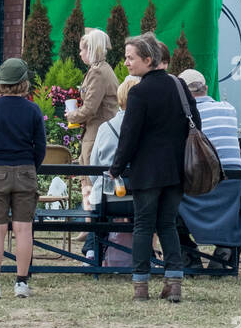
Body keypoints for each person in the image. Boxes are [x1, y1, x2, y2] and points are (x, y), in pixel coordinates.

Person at [109, 33, 202, 303]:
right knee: (168, 225)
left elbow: (129, 136)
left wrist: (116, 168)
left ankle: (140, 286)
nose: (126, 62)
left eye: (130, 58)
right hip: (176, 168)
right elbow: (195, 123)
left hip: (147, 171)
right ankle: (174, 283)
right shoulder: (179, 86)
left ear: (148, 60)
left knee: (143, 226)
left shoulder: (138, 93)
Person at [0, 58, 47, 300]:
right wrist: (30, 168)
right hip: (26, 169)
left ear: (1, 83)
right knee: (24, 229)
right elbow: (41, 148)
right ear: (24, 82)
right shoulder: (33, 110)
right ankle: (21, 284)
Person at [179, 68, 241, 263]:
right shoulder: (228, 109)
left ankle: (188, 254)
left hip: (196, 200)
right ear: (206, 88)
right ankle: (226, 252)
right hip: (230, 200)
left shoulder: (183, 116)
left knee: (164, 207)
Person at [82, 74, 141, 262]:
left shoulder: (106, 128)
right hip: (142, 200)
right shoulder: (150, 128)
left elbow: (94, 166)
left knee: (99, 204)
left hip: (109, 199)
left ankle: (92, 249)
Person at [65, 28, 119, 165]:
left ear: (90, 50)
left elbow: (90, 108)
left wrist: (72, 115)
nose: (79, 53)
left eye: (81, 50)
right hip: (99, 132)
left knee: (90, 183)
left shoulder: (97, 72)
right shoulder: (102, 69)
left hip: (96, 134)